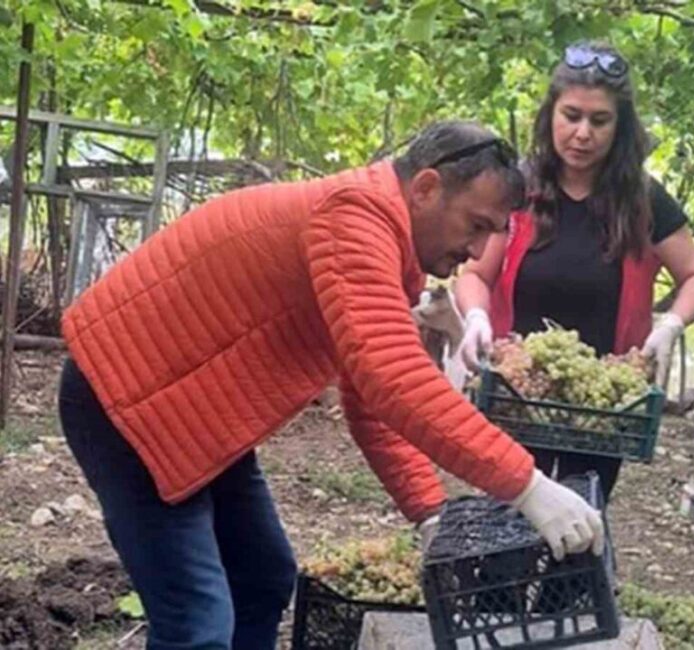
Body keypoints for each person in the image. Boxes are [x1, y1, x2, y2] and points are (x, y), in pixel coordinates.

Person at [58, 121, 604, 650]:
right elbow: (393, 379)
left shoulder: (384, 243)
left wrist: (430, 513)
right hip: (127, 399)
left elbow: (371, 398)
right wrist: (527, 485)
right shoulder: (353, 218)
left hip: (190, 412)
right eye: (477, 224)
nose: (479, 251)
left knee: (263, 578)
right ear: (427, 188)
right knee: (196, 623)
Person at [454, 42, 694, 500]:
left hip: (601, 411)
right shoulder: (519, 188)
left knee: (578, 528)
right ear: (550, 114)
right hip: (517, 395)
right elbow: (476, 274)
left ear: (620, 127)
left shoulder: (643, 200)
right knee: (506, 524)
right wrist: (475, 317)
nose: (582, 133)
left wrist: (671, 324)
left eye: (599, 121)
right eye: (571, 115)